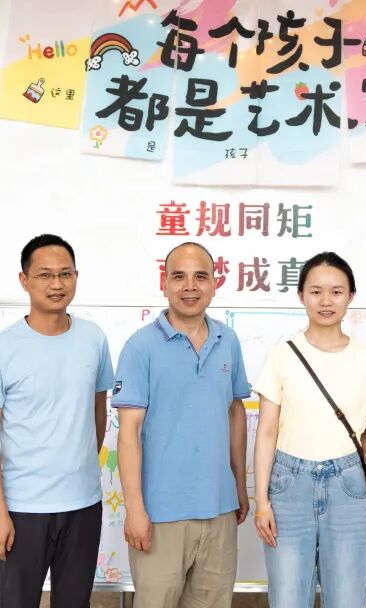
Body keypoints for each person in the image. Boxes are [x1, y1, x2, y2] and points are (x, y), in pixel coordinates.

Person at [0, 234, 114, 608]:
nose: (56, 284)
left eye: (65, 274)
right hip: (22, 510)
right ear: (25, 280)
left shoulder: (94, 339)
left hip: (83, 505)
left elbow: (97, 413)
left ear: (76, 276)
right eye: (45, 275)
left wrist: (80, 465)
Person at [252, 251, 366, 608]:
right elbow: (267, 431)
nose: (326, 301)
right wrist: (261, 502)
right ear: (301, 295)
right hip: (288, 485)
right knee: (287, 599)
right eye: (316, 291)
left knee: (347, 599)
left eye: (336, 291)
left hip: (348, 486)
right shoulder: (283, 354)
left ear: (351, 296)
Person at [113, 242, 251, 608]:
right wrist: (135, 510)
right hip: (160, 516)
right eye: (179, 277)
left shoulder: (227, 340)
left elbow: (235, 412)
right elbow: (129, 434)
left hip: (219, 510)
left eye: (200, 277)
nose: (190, 286)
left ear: (214, 284)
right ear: (164, 283)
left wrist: (240, 485)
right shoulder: (140, 347)